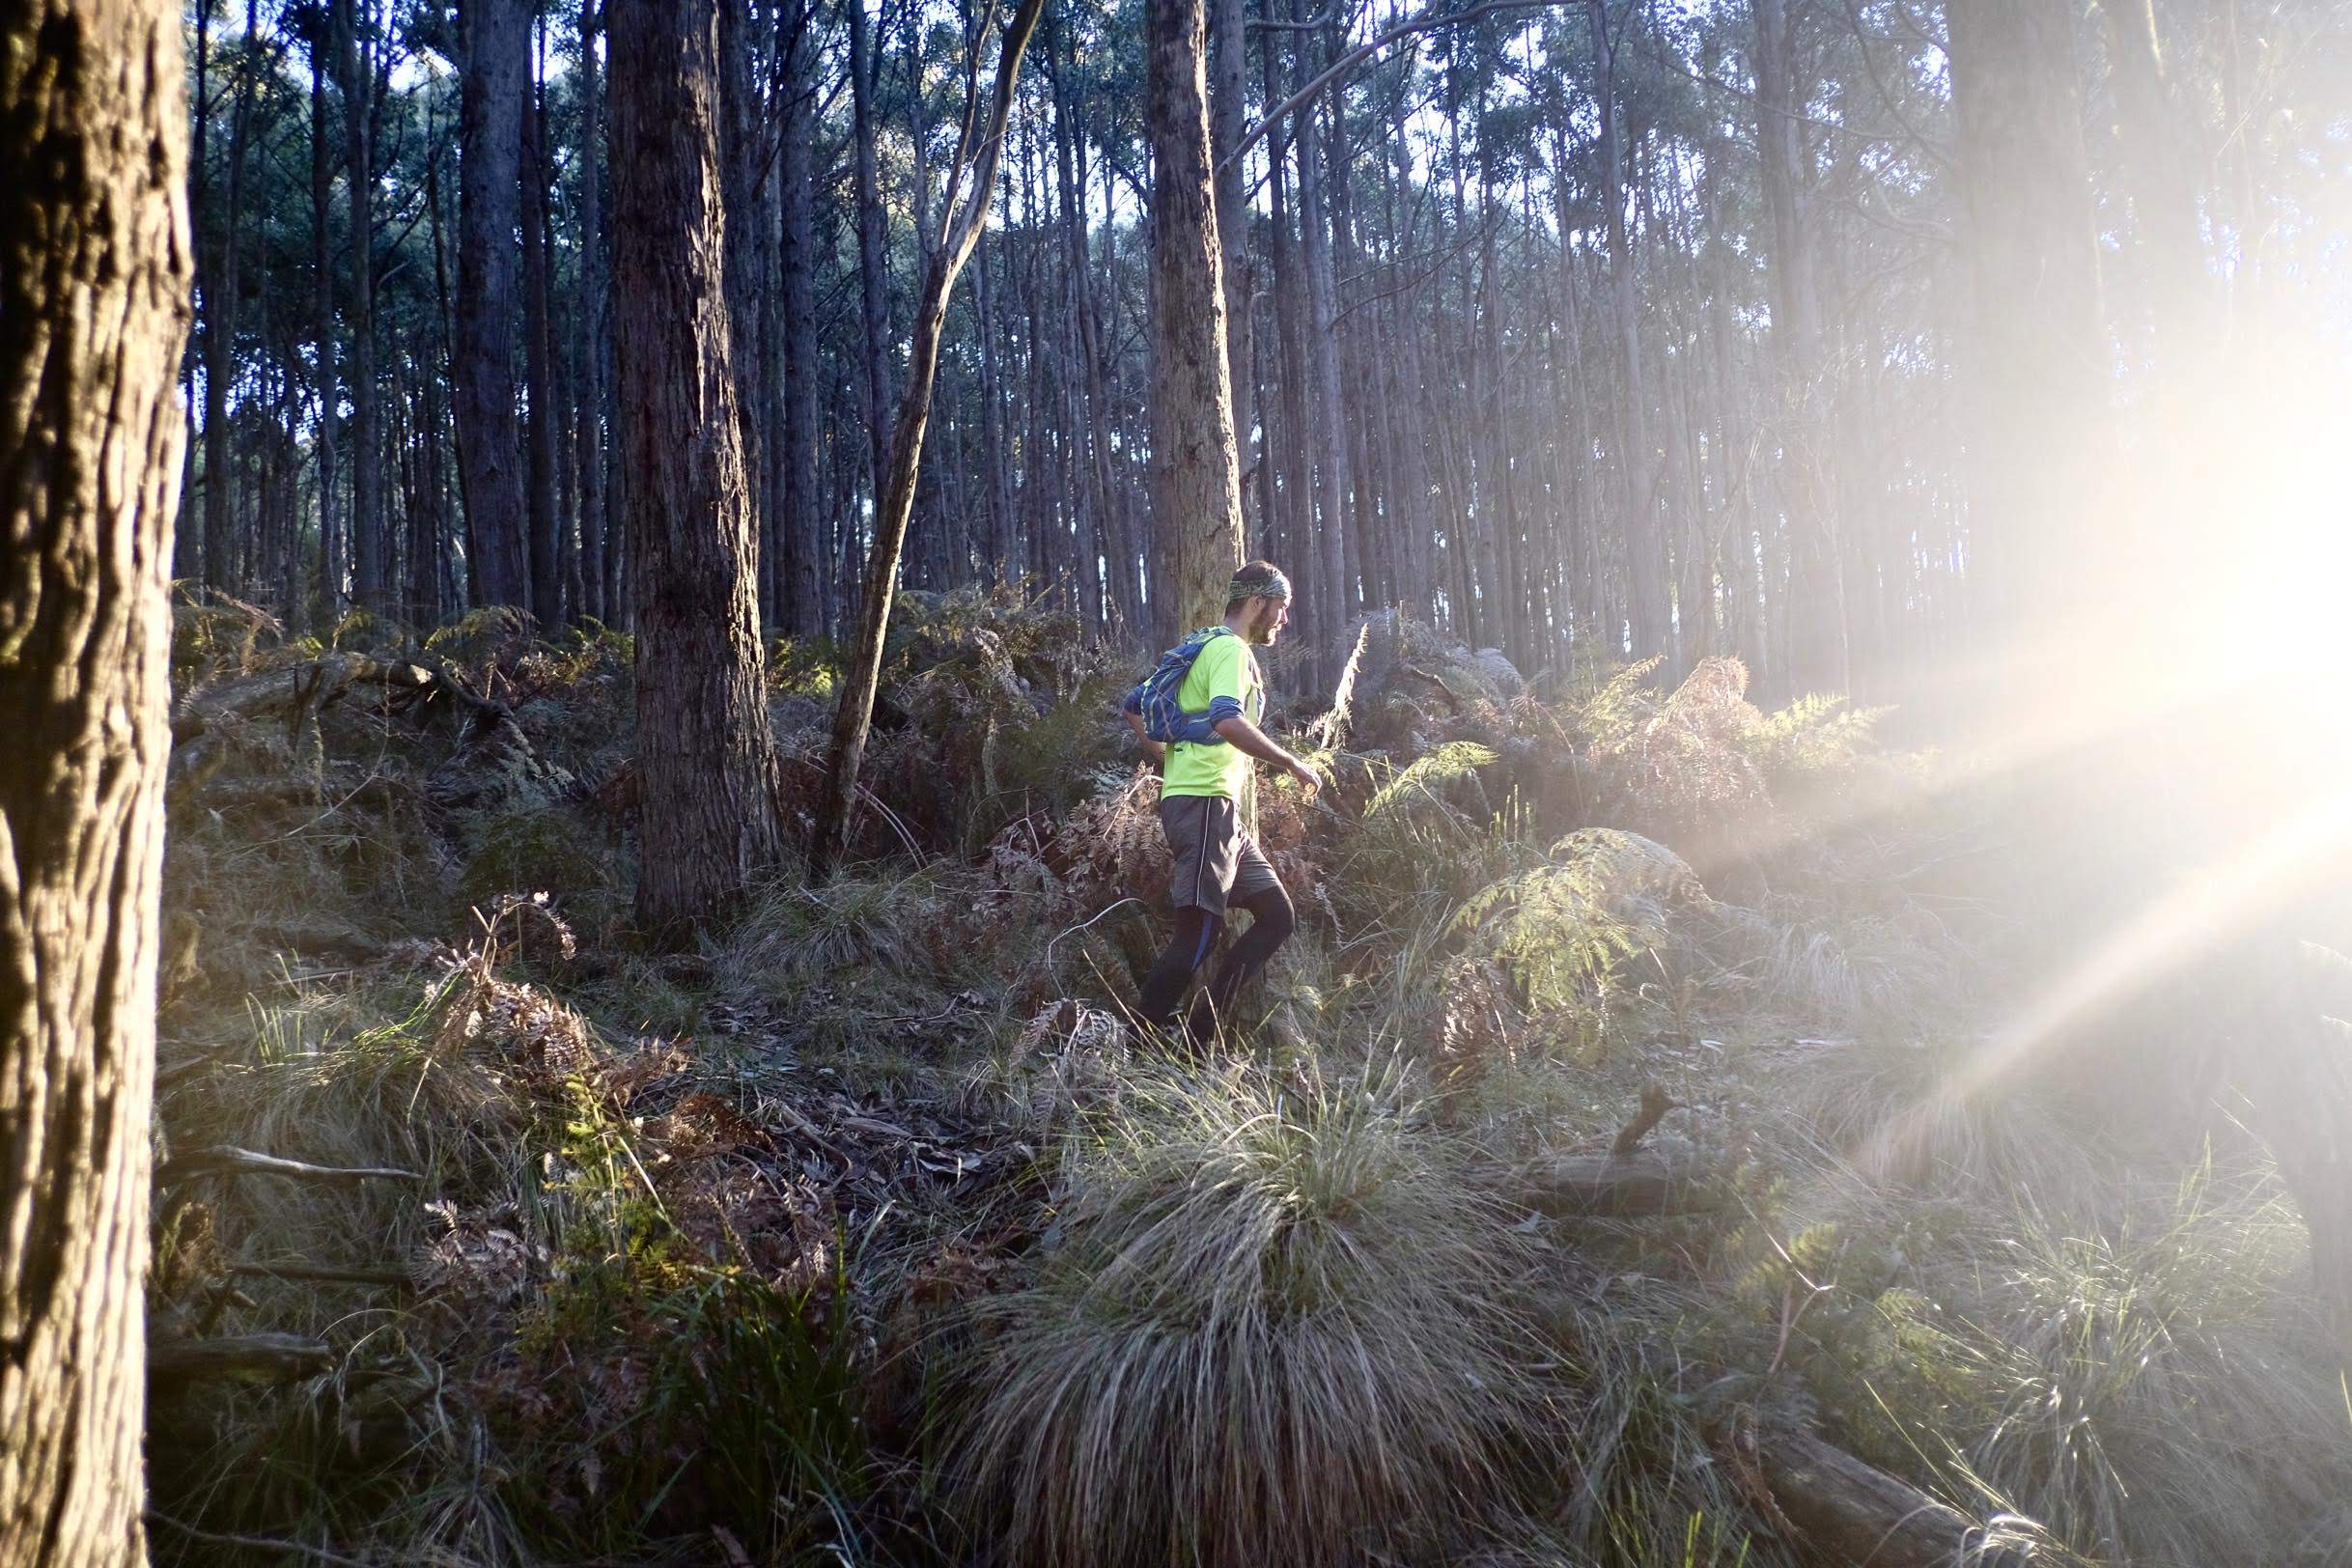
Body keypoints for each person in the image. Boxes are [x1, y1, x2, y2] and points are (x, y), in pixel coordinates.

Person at [1124, 561, 1321, 1044]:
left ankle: (1199, 1038)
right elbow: (1227, 720)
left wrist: (1169, 757)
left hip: (1216, 810)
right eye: (1282, 607)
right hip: (1204, 804)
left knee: (1277, 917)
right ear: (1258, 603)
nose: (1284, 618)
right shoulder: (1230, 649)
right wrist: (1290, 763)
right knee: (1198, 933)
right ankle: (1135, 1048)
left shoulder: (1207, 645)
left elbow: (1133, 705)